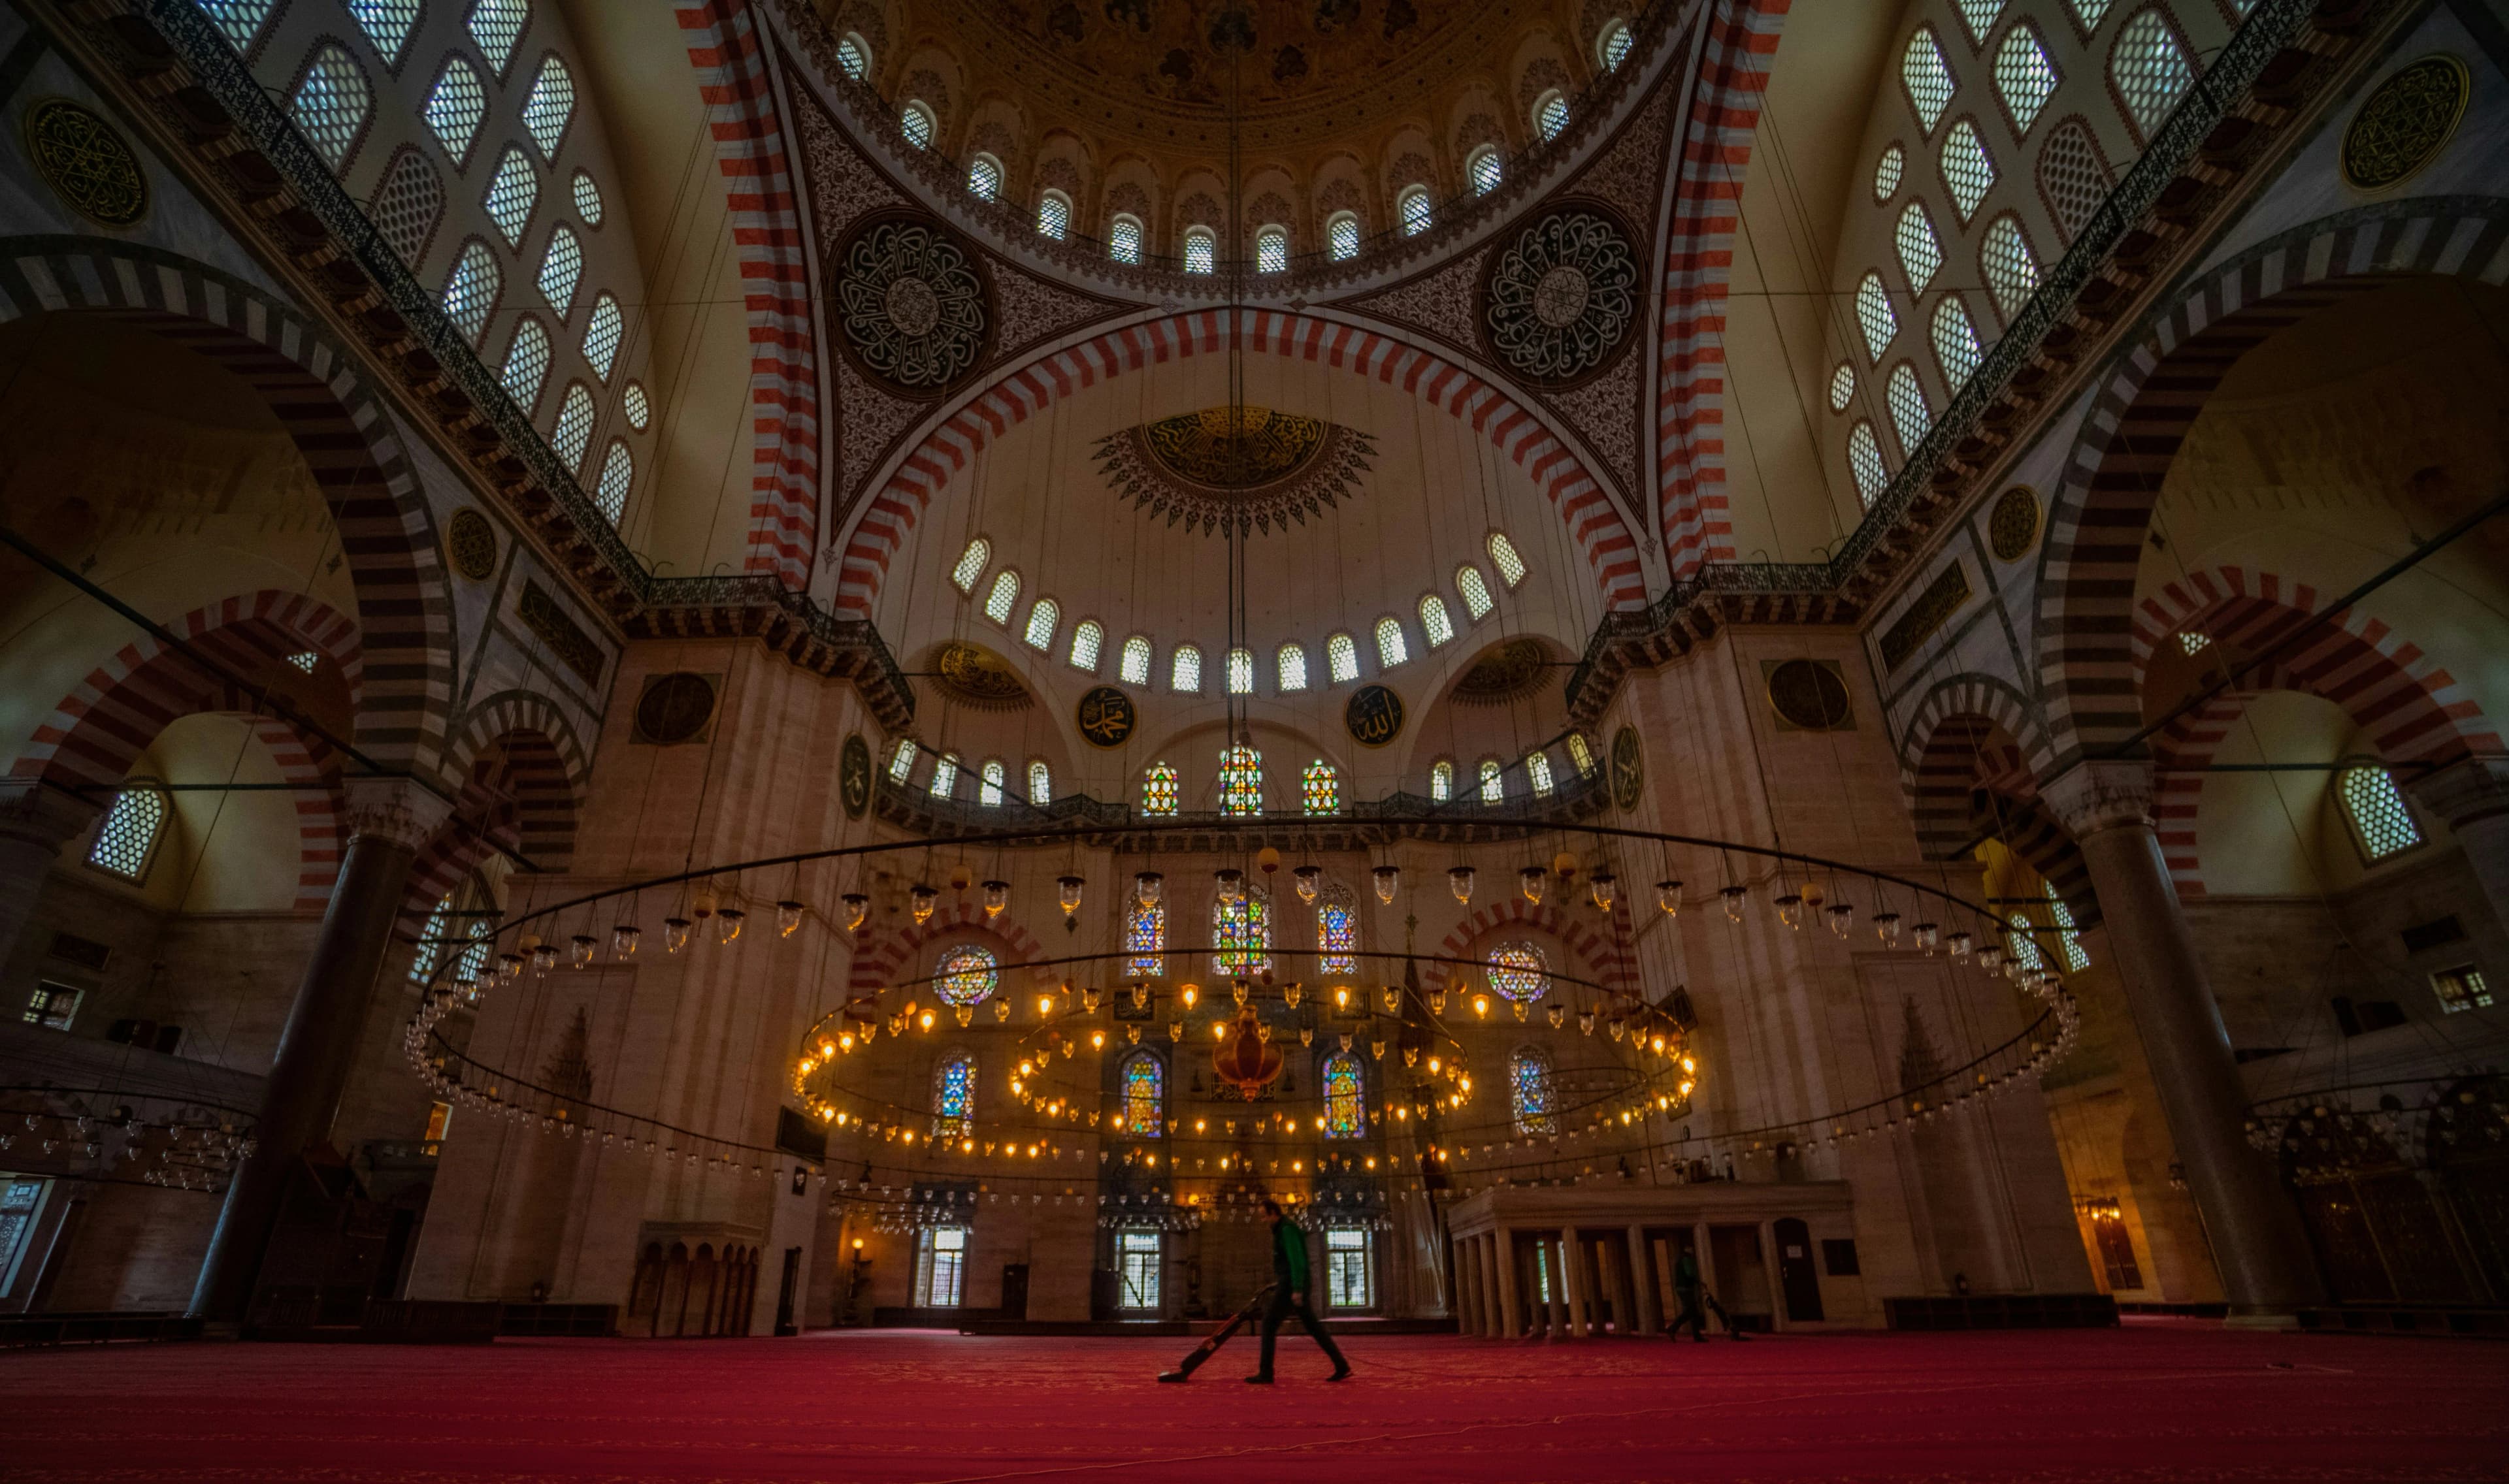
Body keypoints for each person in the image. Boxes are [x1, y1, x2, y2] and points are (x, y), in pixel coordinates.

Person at [1247, 1199, 1351, 1383]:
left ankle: (1266, 1373)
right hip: (1289, 1284)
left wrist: (1297, 1289)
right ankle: (1341, 1365)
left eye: (1264, 1216)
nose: (1263, 1220)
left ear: (1274, 1213)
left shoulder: (1287, 1231)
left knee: (1269, 1324)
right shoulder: (1282, 1231)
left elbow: (1297, 1262)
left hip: (1291, 1287)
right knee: (1314, 1328)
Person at [1667, 1243, 1710, 1342]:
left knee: (1693, 1312)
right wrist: (1699, 1282)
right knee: (1691, 1311)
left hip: (1683, 1288)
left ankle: (1696, 1336)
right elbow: (1689, 1273)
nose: (1693, 1250)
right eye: (1691, 1248)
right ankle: (1673, 1329)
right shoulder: (1686, 1259)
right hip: (1685, 1288)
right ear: (1687, 1249)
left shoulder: (1681, 1259)